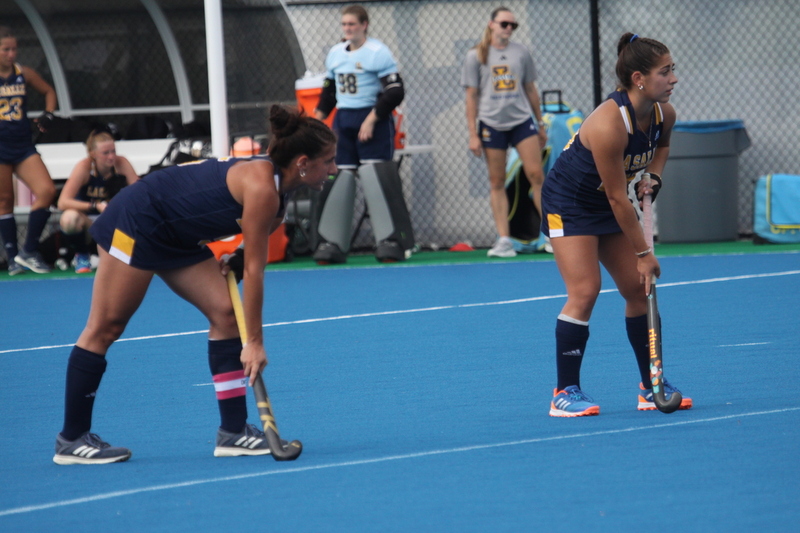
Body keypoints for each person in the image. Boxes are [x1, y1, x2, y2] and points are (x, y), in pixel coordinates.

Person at [53, 105, 337, 464]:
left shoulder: (279, 194)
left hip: (177, 235)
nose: (334, 168)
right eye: (328, 160)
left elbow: (251, 245)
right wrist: (255, 344)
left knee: (224, 314)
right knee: (106, 326)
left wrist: (236, 256)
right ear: (302, 162)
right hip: (138, 220)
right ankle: (72, 438)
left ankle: (233, 432)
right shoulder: (263, 187)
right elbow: (255, 274)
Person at [541, 33, 692, 417]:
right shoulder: (609, 124)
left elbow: (662, 148)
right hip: (569, 203)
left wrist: (654, 177)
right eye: (665, 72)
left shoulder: (664, 114)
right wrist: (644, 253)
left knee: (637, 291)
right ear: (639, 78)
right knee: (586, 289)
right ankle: (564, 392)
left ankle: (650, 384)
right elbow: (615, 197)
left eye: (673, 69)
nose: (674, 79)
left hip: (610, 201)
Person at [313, 4, 413, 264]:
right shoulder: (335, 54)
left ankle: (391, 240)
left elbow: (395, 91)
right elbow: (329, 92)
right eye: (344, 24)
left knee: (376, 176)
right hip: (344, 121)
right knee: (340, 177)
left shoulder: (377, 52)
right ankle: (331, 241)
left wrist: (372, 119)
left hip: (372, 121)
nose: (347, 29)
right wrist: (317, 121)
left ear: (364, 25)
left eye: (352, 24)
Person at [462, 7, 547, 258]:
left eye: (513, 25)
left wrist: (540, 123)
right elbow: (471, 96)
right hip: (490, 123)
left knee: (536, 175)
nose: (508, 29)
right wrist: (473, 133)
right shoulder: (475, 55)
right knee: (496, 181)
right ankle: (504, 239)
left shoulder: (521, 52)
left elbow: (530, 88)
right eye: (504, 24)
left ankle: (552, 235)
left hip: (521, 121)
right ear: (491, 24)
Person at [0, 26, 57, 275]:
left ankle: (28, 251)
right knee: (4, 201)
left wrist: (48, 114)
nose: (11, 54)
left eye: (14, 49)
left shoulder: (24, 73)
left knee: (46, 191)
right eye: (6, 49)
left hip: (22, 144)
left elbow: (49, 91)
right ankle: (12, 258)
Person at [57, 130, 139, 273]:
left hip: (115, 223)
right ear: (93, 154)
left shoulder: (121, 163)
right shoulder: (84, 167)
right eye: (105, 153)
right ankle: (82, 255)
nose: (111, 156)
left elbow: (140, 194)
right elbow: (63, 202)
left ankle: (124, 256)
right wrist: (94, 205)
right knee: (69, 218)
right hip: (90, 223)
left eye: (113, 151)